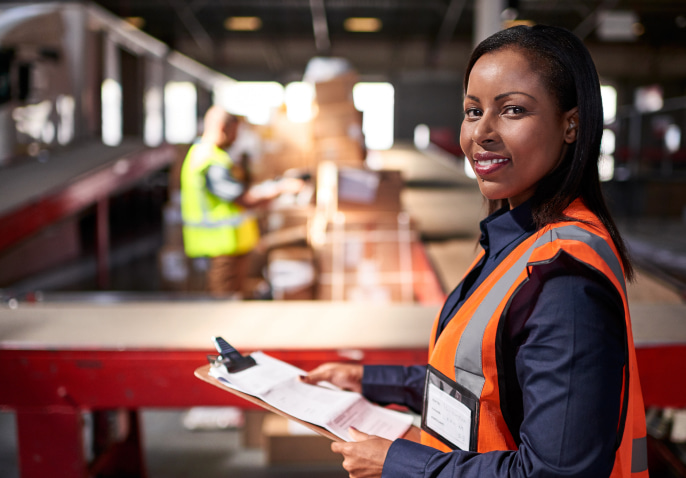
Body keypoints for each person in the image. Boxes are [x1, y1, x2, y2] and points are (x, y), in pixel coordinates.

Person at [302, 24, 648, 478]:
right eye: (472, 111)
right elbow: (477, 382)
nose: (480, 133)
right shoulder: (516, 242)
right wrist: (367, 381)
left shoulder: (563, 281)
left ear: (571, 125)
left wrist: (400, 464)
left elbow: (557, 473)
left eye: (513, 110)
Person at [180, 106, 301, 296]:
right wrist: (280, 188)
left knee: (230, 300)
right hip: (220, 248)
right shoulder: (211, 160)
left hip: (225, 247)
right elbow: (242, 199)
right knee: (223, 303)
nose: (236, 139)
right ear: (222, 128)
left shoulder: (207, 155)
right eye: (234, 132)